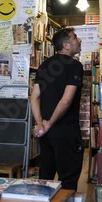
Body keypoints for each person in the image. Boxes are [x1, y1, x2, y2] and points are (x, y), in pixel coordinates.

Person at [30, 27, 84, 191]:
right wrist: (50, 123)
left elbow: (34, 97)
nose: (79, 40)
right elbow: (66, 101)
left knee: (45, 179)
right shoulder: (75, 66)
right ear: (66, 45)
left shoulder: (44, 65)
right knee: (68, 180)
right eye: (75, 38)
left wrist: (41, 124)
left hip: (46, 134)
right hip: (66, 131)